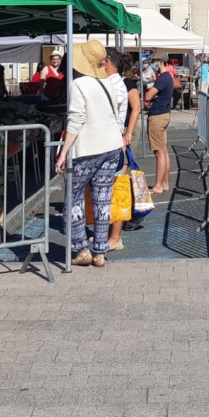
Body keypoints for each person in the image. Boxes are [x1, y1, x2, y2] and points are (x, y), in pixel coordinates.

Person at [54, 41, 122, 268]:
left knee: (73, 198)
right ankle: (100, 251)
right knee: (102, 199)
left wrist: (64, 152)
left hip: (88, 148)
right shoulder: (108, 82)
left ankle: (80, 247)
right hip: (111, 145)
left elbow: (76, 120)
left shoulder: (79, 84)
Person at [107, 48, 142, 252]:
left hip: (125, 133)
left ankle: (132, 213)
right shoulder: (121, 83)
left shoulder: (127, 84)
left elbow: (136, 107)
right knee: (121, 178)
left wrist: (128, 132)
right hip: (121, 134)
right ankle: (123, 217)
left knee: (122, 177)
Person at [144, 58, 174, 194]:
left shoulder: (163, 78)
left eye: (154, 62)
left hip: (157, 115)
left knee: (159, 152)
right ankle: (164, 183)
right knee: (163, 150)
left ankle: (158, 186)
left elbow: (148, 96)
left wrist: (150, 94)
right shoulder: (168, 77)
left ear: (160, 62)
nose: (152, 65)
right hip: (164, 114)